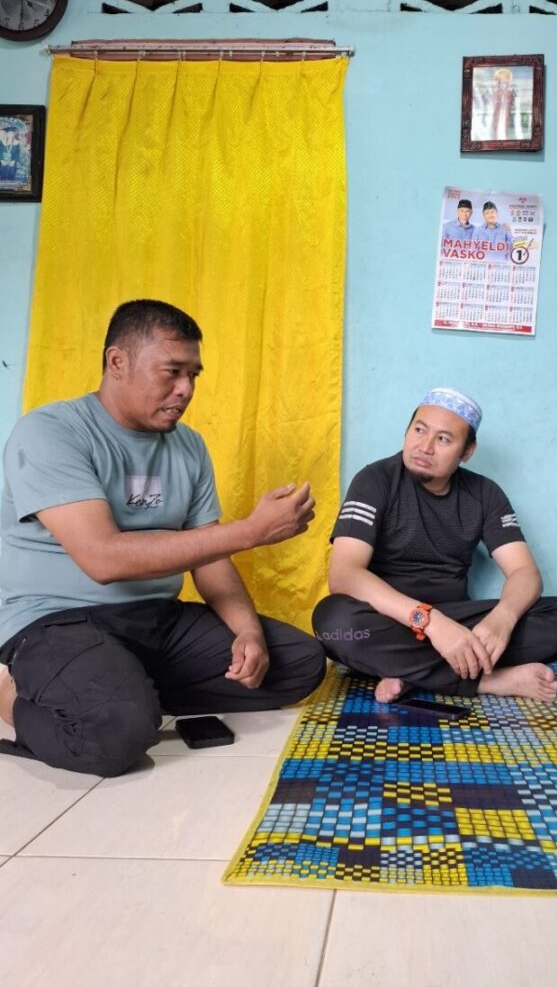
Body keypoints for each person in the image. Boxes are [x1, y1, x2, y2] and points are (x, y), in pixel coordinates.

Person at [0, 299, 325, 776]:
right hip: (57, 621)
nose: (186, 389)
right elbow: (103, 559)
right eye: (172, 372)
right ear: (117, 362)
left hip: (157, 620)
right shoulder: (50, 432)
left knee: (299, 662)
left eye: (193, 375)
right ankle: (12, 696)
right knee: (117, 734)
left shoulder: (189, 445)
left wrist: (247, 631)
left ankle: (126, 686)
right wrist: (250, 531)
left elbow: (209, 555)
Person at [312, 387, 557, 704]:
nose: (425, 447)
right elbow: (344, 575)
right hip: (389, 618)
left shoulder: (484, 494)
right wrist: (431, 624)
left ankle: (409, 671)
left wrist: (502, 619)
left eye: (443, 439)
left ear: (467, 452)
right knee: (333, 624)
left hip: (458, 622)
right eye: (419, 430)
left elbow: (525, 572)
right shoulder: (374, 480)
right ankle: (489, 681)